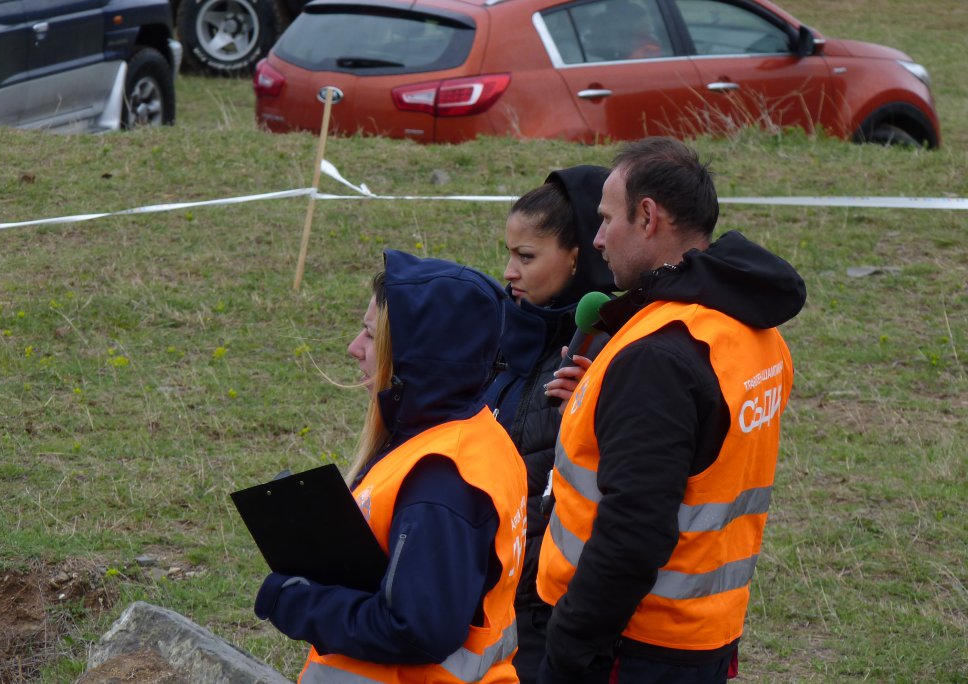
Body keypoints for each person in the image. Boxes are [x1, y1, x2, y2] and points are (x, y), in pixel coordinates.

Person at [536, 137, 807, 683]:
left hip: (630, 643)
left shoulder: (659, 357)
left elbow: (633, 533)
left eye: (606, 219)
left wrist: (569, 648)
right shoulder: (751, 328)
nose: (597, 239)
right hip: (702, 630)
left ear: (647, 216)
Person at [254, 250, 529, 683]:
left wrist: (297, 602)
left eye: (370, 335)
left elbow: (416, 630)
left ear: (417, 355)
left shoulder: (441, 481)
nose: (354, 349)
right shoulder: (473, 434)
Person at [481, 166, 616, 684]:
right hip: (492, 577)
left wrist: (587, 413)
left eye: (526, 256)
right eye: (509, 254)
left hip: (544, 598)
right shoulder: (505, 331)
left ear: (577, 256)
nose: (509, 272)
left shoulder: (604, 347)